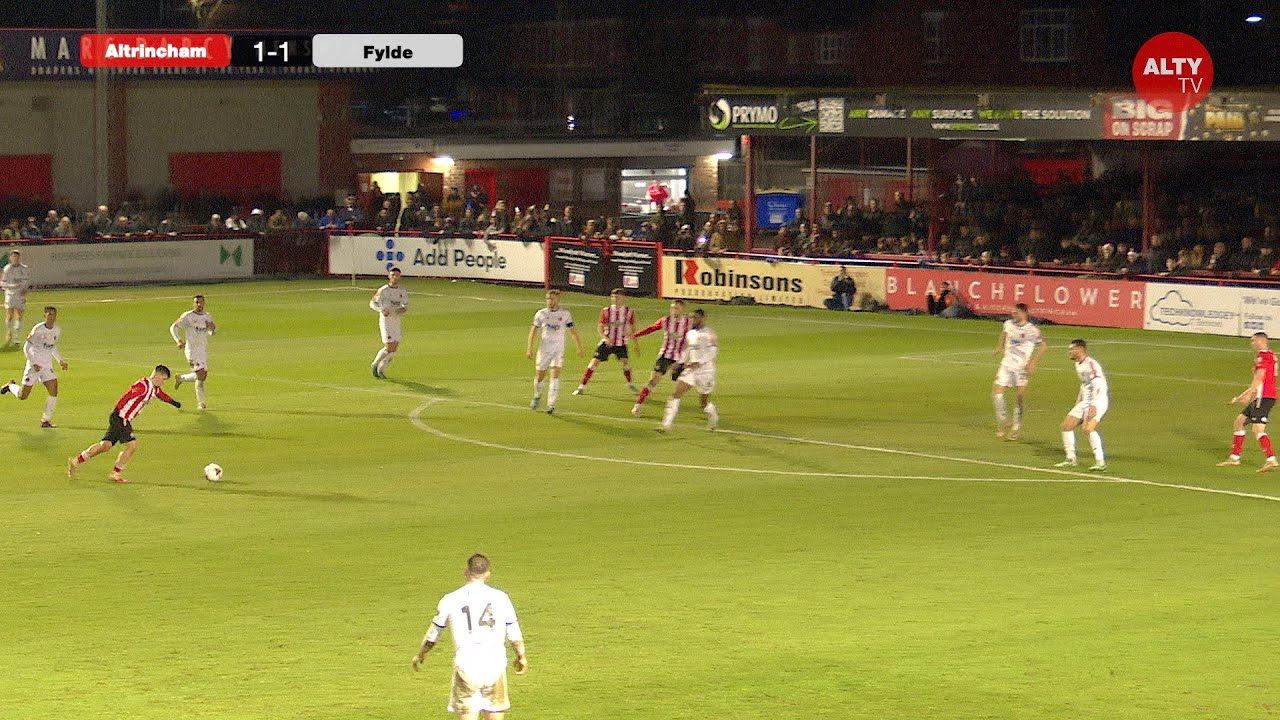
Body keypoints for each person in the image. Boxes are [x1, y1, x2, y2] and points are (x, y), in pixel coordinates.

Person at [411, 554, 528, 720]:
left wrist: (420, 654)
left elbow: (433, 634)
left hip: (466, 666)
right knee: (494, 712)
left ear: (466, 572)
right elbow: (514, 633)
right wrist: (521, 656)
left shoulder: (450, 599)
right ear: (488, 574)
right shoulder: (501, 598)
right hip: (494, 664)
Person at [67, 365, 181, 483]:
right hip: (121, 417)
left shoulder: (154, 388)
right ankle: (115, 473)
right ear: (157, 375)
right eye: (163, 379)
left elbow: (161, 395)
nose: (163, 382)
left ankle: (76, 460)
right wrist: (119, 413)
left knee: (105, 446)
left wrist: (173, 402)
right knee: (132, 446)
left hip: (120, 418)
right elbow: (127, 396)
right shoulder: (142, 386)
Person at [1217, 332, 1279, 472]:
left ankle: (1271, 459)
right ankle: (1234, 458)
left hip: (1264, 397)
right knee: (1239, 422)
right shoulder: (1271, 355)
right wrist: (1244, 395)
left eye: (1253, 341)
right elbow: (1262, 380)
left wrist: (1248, 394)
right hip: (1263, 396)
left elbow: (1259, 378)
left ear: (1260, 341)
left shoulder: (1262, 356)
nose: (1251, 344)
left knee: (1258, 429)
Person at [1, 306, 67, 427]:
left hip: (46, 365)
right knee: (23, 396)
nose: (51, 317)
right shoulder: (38, 329)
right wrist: (33, 362)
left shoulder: (57, 330)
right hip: (34, 365)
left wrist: (60, 361)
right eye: (49, 314)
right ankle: (10, 386)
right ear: (45, 316)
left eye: (53, 314)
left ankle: (45, 420)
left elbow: (52, 347)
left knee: (54, 389)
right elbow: (27, 347)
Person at [656, 308, 718, 433]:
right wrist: (678, 363)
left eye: (695, 318)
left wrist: (699, 362)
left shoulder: (710, 334)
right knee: (675, 394)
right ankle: (666, 425)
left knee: (703, 404)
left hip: (706, 372)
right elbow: (687, 350)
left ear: (702, 318)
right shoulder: (690, 333)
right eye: (690, 318)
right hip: (691, 370)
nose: (692, 320)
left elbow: (713, 352)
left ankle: (713, 417)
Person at [992, 303, 1047, 441]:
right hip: (1006, 364)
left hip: (1021, 367)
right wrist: (999, 347)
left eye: (1016, 313)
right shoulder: (1008, 324)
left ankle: (1015, 428)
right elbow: (1004, 334)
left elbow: (1044, 346)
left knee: (1020, 397)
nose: (1013, 315)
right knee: (997, 394)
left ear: (1024, 313)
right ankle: (1004, 420)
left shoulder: (1033, 330)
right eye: (1013, 312)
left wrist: (1033, 363)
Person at [527, 289, 584, 414]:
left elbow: (573, 332)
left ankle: (551, 404)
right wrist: (530, 348)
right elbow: (533, 331)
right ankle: (537, 395)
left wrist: (579, 347)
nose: (549, 301)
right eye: (548, 299)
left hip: (558, 349)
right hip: (544, 349)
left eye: (552, 299)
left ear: (558, 300)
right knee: (540, 376)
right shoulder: (541, 314)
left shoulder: (565, 314)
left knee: (555, 375)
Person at [631, 300, 691, 416]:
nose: (674, 311)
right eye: (672, 308)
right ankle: (637, 406)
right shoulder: (666, 320)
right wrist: (636, 335)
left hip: (680, 359)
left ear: (682, 310)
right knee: (653, 381)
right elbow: (651, 328)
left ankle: (677, 403)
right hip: (665, 356)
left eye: (677, 308)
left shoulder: (689, 323)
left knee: (685, 384)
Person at [573, 288, 638, 396]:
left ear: (623, 298)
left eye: (618, 297)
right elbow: (600, 327)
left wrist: (635, 343)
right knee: (594, 363)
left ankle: (630, 384)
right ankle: (581, 387)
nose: (615, 299)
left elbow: (633, 328)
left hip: (621, 343)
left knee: (625, 363)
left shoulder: (629, 312)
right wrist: (605, 338)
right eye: (613, 297)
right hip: (607, 342)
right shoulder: (606, 311)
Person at [1056, 339, 1108, 471]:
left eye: (1072, 349)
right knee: (1066, 426)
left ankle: (1100, 461)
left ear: (1080, 349)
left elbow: (1099, 384)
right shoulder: (1078, 364)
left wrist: (1094, 405)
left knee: (1088, 429)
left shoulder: (1091, 364)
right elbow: (1084, 384)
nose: (1070, 352)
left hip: (1098, 400)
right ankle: (1071, 459)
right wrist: (1078, 401)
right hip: (1085, 401)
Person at [169, 294, 217, 410]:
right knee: (201, 374)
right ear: (193, 303)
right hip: (192, 351)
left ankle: (182, 380)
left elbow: (211, 331)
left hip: (202, 351)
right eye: (197, 302)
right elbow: (173, 327)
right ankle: (201, 403)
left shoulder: (207, 316)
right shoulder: (188, 316)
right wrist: (178, 340)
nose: (199, 305)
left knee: (202, 377)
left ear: (204, 303)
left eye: (201, 302)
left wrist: (212, 329)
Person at [369, 267, 408, 378]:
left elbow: (405, 305)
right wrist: (381, 310)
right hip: (386, 321)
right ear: (389, 276)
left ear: (400, 276)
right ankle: (375, 364)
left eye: (397, 275)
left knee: (394, 348)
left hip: (396, 321)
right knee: (389, 346)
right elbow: (372, 303)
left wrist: (402, 310)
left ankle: (381, 370)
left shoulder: (402, 291)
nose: (395, 277)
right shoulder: (383, 290)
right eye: (393, 275)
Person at [2, 250, 31, 346]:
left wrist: (24, 289)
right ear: (10, 258)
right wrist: (12, 286)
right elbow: (2, 283)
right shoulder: (7, 269)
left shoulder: (24, 268)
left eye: (17, 257)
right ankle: (9, 333)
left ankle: (16, 338)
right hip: (10, 294)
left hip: (20, 295)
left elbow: (26, 281)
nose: (15, 258)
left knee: (19, 315)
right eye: (13, 256)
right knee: (9, 315)